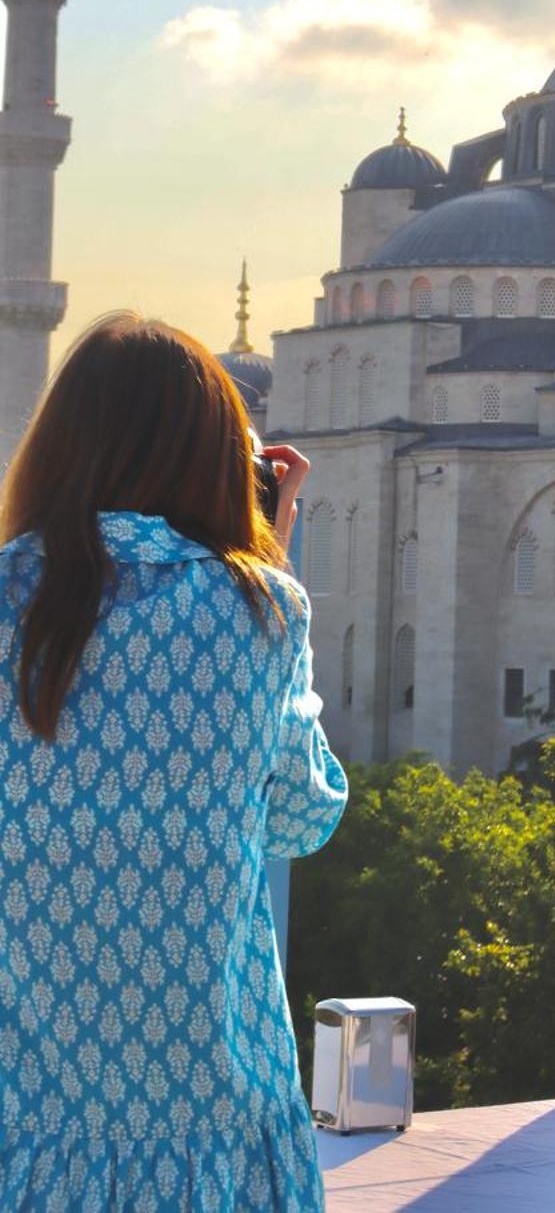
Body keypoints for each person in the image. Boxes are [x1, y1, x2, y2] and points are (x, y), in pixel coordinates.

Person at [0, 313, 347, 1211]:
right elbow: (301, 818)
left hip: (23, 1099)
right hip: (206, 1103)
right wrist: (270, 548)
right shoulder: (261, 608)